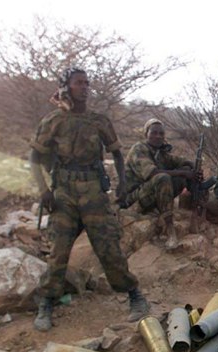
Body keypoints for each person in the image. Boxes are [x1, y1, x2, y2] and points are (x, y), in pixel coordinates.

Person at [29, 67, 149, 331]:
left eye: (87, 83)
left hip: (94, 191)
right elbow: (35, 158)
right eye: (78, 83)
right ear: (66, 87)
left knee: (108, 246)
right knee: (59, 249)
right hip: (63, 192)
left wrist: (122, 185)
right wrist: (43, 190)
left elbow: (117, 153)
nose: (84, 87)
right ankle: (47, 302)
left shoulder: (99, 121)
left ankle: (135, 296)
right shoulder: (53, 121)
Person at [124, 119, 203, 250]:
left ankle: (195, 209)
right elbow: (152, 173)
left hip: (150, 193)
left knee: (184, 172)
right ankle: (170, 229)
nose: (158, 136)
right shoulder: (139, 149)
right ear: (146, 134)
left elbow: (179, 161)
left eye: (161, 134)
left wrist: (195, 168)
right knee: (164, 177)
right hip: (135, 197)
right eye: (154, 133)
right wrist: (182, 173)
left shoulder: (160, 152)